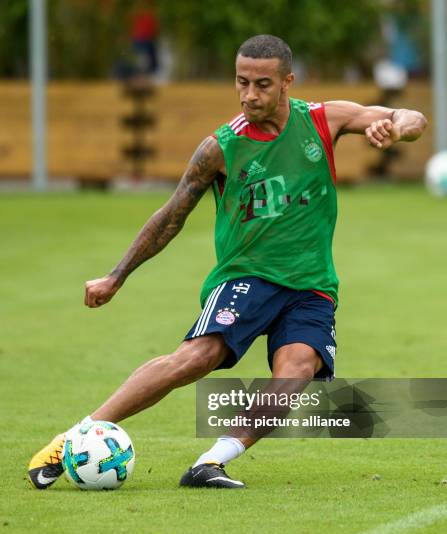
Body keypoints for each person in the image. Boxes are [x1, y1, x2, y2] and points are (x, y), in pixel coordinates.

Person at [28, 35, 426, 490]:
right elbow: (170, 216)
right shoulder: (221, 147)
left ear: (286, 83)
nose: (249, 95)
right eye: (242, 83)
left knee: (298, 372)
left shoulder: (322, 120)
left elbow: (409, 117)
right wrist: (116, 276)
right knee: (199, 357)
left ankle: (210, 463)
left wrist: (395, 128)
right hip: (247, 277)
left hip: (312, 285)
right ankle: (71, 440)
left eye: (261, 84)